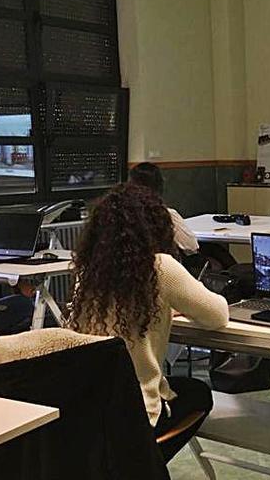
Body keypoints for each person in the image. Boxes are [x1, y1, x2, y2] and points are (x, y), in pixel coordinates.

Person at [65, 184, 229, 461]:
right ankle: (144, 463)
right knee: (198, 393)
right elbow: (217, 315)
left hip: (88, 411)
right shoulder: (160, 267)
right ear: (156, 226)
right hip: (135, 416)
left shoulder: (89, 271)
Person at [128, 162, 199, 254]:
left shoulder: (120, 215)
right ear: (160, 185)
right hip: (162, 266)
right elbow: (191, 246)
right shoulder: (166, 215)